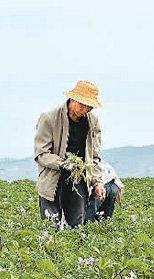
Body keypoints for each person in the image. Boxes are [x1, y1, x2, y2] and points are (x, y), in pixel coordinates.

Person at [34, 80, 106, 228]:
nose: (84, 109)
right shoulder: (49, 118)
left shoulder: (92, 122)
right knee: (50, 226)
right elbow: (41, 154)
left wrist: (97, 181)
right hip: (52, 179)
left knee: (76, 226)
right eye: (82, 104)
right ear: (73, 99)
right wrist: (64, 164)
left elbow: (94, 156)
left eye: (89, 107)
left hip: (78, 177)